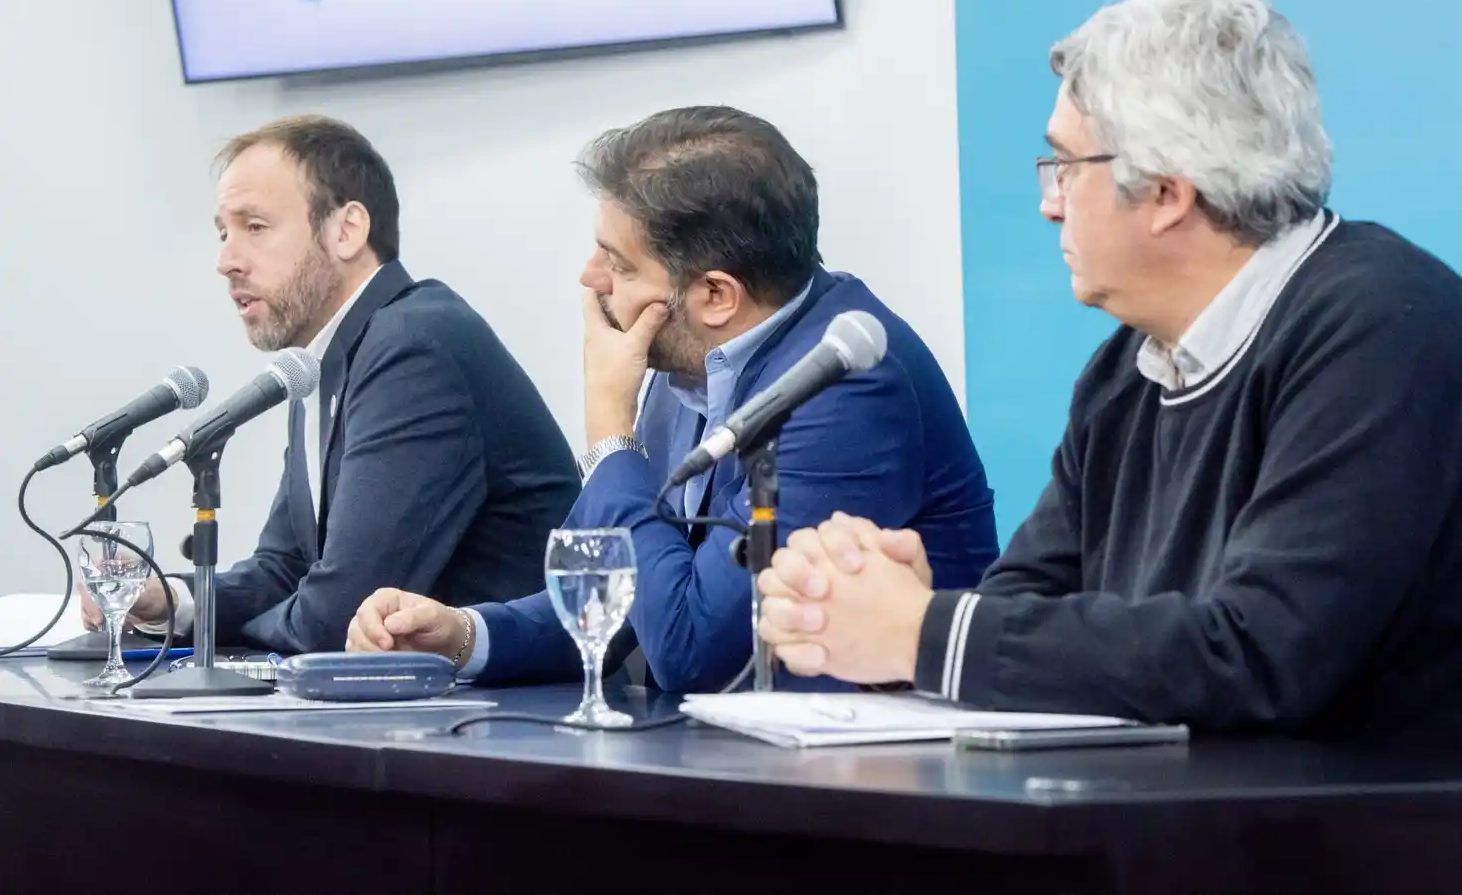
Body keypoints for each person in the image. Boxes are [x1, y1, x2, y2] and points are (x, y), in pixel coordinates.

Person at [756, 0, 1462, 743]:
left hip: (1380, 813)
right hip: (1183, 808)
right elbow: (1031, 606)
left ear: (1169, 193)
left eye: (1067, 167)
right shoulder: (1128, 368)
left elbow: (1263, 652)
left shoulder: (1385, 329)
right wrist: (894, 620)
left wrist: (925, 632)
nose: (1050, 202)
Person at [346, 106, 999, 691]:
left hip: (869, 770)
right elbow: (616, 592)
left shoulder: (848, 389)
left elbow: (695, 649)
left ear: (715, 295)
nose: (590, 278)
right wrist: (463, 635)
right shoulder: (689, 356)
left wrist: (611, 439)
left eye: (618, 264)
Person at [81, 115, 580, 654]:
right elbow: (286, 568)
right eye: (223, 233)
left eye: (255, 227)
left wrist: (236, 634)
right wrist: (173, 601)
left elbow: (336, 614)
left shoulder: (413, 347)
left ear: (347, 230)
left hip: (513, 694)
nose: (226, 261)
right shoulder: (325, 359)